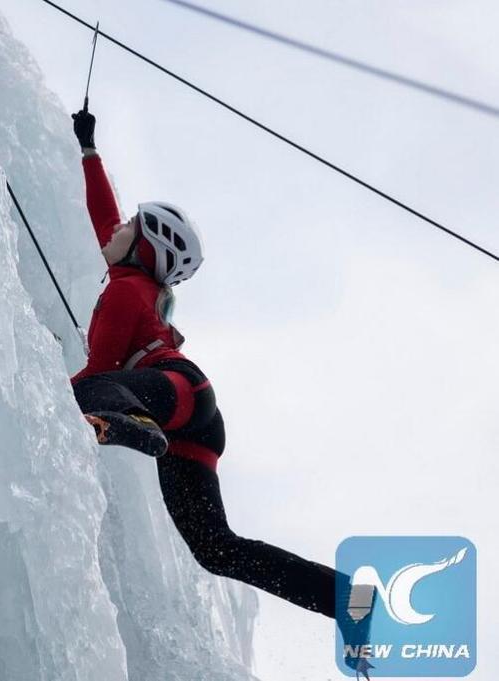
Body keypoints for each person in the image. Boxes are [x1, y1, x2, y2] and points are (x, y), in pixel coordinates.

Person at [68, 108, 375, 678]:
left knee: (85, 392)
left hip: (176, 393)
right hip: (194, 418)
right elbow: (104, 217)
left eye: (132, 226)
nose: (117, 231)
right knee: (218, 549)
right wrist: (89, 150)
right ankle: (349, 602)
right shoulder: (133, 279)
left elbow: (96, 375)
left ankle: (141, 428)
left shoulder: (128, 292)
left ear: (150, 247)